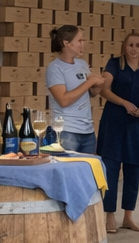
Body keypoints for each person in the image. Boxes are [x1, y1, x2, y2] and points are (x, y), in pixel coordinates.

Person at [96, 30, 139, 233]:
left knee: (133, 170)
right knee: (110, 169)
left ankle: (128, 216)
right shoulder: (114, 64)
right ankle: (109, 215)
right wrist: (124, 103)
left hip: (136, 125)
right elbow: (104, 90)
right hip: (114, 123)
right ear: (124, 47)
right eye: (130, 45)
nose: (134, 49)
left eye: (138, 45)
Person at [45, 24, 107, 154]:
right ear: (66, 43)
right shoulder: (54, 68)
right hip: (66, 131)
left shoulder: (82, 64)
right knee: (66, 166)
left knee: (86, 166)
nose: (82, 44)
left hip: (88, 131)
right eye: (79, 40)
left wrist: (99, 84)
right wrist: (89, 82)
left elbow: (90, 93)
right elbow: (63, 100)